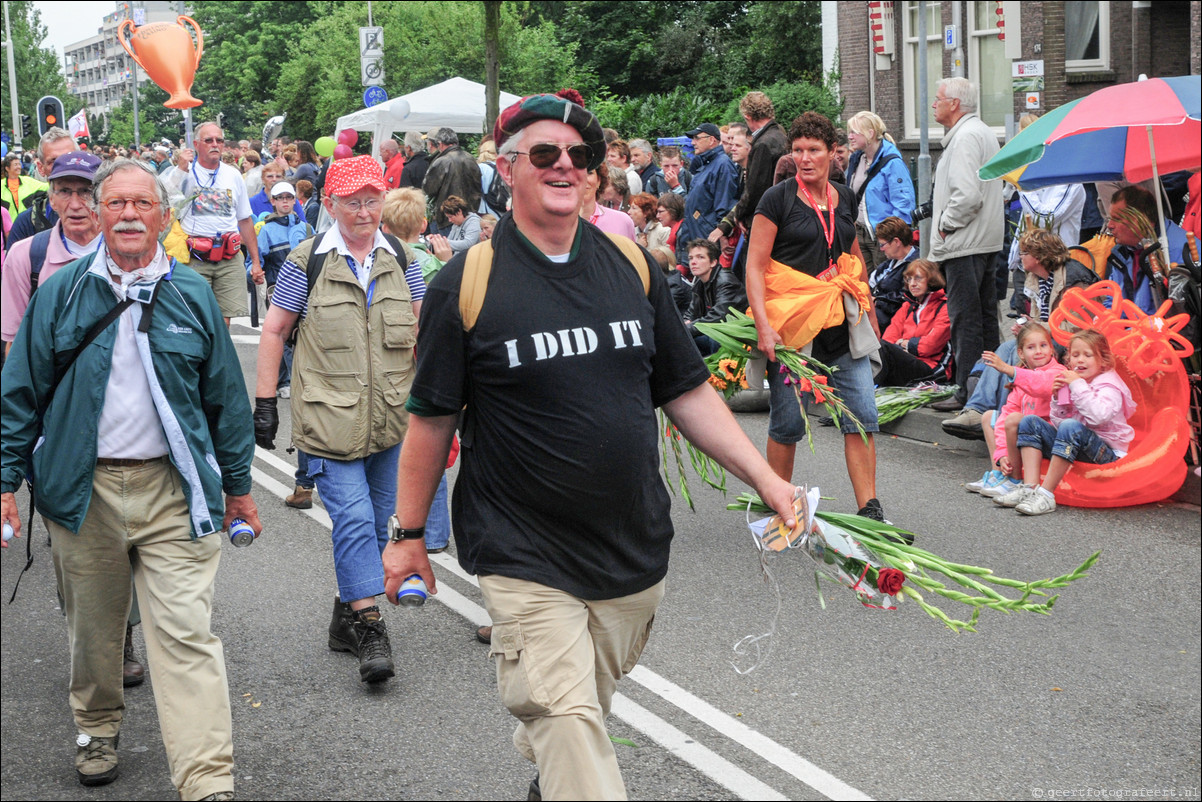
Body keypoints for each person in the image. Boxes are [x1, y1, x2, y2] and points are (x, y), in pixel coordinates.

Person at [382, 90, 798, 801]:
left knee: (578, 712)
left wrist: (768, 479)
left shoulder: (633, 267)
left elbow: (687, 391)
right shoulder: (467, 283)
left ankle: (554, 770)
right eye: (545, 154)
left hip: (631, 547)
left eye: (581, 156)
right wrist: (410, 533)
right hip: (523, 551)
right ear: (507, 169)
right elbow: (431, 417)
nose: (566, 166)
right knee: (569, 718)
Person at [1, 157, 260, 799]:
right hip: (82, 493)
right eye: (114, 203)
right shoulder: (61, 293)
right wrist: (6, 483)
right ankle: (96, 725)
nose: (127, 215)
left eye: (141, 204)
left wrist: (239, 486)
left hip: (171, 492)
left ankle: (208, 780)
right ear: (94, 211)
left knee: (185, 634)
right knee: (94, 631)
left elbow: (226, 399)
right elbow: (20, 393)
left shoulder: (193, 294)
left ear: (162, 216)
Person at [253, 155, 425, 684]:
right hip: (328, 420)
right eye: (353, 201)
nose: (365, 210)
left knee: (378, 525)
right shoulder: (306, 262)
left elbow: (423, 337)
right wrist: (264, 402)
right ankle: (371, 627)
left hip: (392, 420)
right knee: (351, 521)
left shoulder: (402, 257)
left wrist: (440, 413)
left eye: (373, 199)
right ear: (330, 204)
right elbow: (276, 331)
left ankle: (345, 611)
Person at [745, 111, 889, 522]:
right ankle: (778, 504)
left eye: (814, 150)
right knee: (789, 421)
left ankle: (870, 508)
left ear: (833, 153)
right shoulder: (777, 199)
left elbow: (853, 254)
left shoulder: (844, 197)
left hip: (842, 324)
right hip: (793, 326)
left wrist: (869, 310)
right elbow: (755, 266)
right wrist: (764, 327)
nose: (805, 158)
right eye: (798, 150)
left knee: (861, 415)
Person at [942, 228, 1096, 440]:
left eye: (1023, 253)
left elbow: (1079, 326)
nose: (1019, 257)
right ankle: (978, 411)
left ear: (1039, 255)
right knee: (1009, 347)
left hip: (1071, 342)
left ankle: (1001, 417)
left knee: (1016, 351)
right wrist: (1028, 329)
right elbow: (1037, 318)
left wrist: (1037, 328)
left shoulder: (1075, 278)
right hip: (1047, 337)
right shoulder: (1036, 277)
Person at [927, 77, 1004, 413]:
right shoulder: (984, 132)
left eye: (938, 98)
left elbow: (967, 195)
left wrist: (945, 224)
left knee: (965, 319)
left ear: (954, 104)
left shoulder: (963, 138)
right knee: (986, 318)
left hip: (964, 243)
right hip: (985, 242)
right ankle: (990, 389)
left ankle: (967, 392)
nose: (934, 104)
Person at [1004, 330, 1135, 516]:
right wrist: (1058, 400)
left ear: (1103, 360)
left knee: (1070, 427)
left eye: (1087, 355)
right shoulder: (1076, 381)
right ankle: (1029, 487)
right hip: (1079, 445)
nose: (1080, 360)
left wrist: (1077, 386)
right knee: (1030, 422)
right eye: (1075, 355)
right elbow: (1060, 424)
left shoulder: (1110, 386)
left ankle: (1046, 494)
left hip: (1107, 452)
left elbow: (1097, 417)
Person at [164, 121, 265, 325]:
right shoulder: (186, 172)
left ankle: (219, 357)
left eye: (219, 140)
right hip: (195, 257)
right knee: (195, 318)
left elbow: (245, 219)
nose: (215, 144)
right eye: (208, 140)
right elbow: (164, 198)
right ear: (196, 144)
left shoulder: (233, 175)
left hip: (228, 257)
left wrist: (255, 262)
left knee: (223, 321)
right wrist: (180, 169)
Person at [967, 320, 1062, 499]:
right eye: (1031, 347)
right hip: (1022, 438)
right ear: (1021, 353)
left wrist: (1008, 369)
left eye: (1043, 345)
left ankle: (1014, 479)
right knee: (990, 417)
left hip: (1048, 438)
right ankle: (998, 473)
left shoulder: (1058, 371)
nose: (1039, 351)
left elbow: (1040, 384)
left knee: (1016, 419)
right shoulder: (1020, 379)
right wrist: (1001, 454)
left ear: (1051, 349)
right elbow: (1006, 415)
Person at [712, 92, 790, 284]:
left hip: (765, 222)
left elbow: (756, 189)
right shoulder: (781, 135)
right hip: (783, 217)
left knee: (755, 278)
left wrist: (740, 215)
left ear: (747, 116)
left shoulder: (763, 143)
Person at [256, 180, 313, 403]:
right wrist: (256, 272)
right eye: (281, 198)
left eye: (289, 198)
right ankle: (288, 381)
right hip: (277, 290)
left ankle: (287, 379)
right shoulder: (266, 230)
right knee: (284, 335)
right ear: (273, 202)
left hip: (305, 289)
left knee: (298, 334)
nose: (285, 202)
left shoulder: (306, 228)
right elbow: (256, 260)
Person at [845, 111, 915, 271]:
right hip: (860, 232)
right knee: (863, 284)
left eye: (854, 132)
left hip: (883, 237)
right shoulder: (857, 159)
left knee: (883, 283)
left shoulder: (892, 163)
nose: (849, 137)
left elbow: (904, 203)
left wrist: (891, 237)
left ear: (870, 134)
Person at [1103, 185, 1188, 314]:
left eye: (1117, 219)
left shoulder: (1177, 251)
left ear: (1140, 219)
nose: (1110, 226)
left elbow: (1180, 313)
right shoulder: (1122, 252)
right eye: (1110, 219)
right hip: (1128, 329)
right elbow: (1112, 300)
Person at [876, 259, 952, 387]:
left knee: (883, 349)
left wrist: (904, 343)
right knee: (877, 346)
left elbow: (930, 345)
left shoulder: (944, 306)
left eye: (918, 278)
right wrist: (905, 347)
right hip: (910, 363)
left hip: (932, 369)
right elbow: (889, 338)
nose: (912, 284)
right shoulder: (907, 306)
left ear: (931, 280)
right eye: (909, 279)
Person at [677, 122, 739, 264]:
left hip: (709, 242)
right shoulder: (706, 163)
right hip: (697, 239)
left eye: (697, 138)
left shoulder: (723, 165)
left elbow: (725, 205)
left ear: (712, 140)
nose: (693, 143)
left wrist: (722, 235)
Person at [683, 238, 747, 355]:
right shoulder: (699, 283)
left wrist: (687, 327)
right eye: (691, 258)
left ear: (713, 262)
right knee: (681, 340)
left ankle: (714, 372)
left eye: (700, 257)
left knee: (714, 339)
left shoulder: (725, 281)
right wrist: (684, 324)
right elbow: (691, 313)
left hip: (737, 335)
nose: (693, 262)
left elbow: (719, 316)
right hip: (716, 330)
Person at [423, 127, 482, 234]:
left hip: (447, 217)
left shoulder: (441, 161)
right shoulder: (471, 159)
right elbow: (478, 187)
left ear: (440, 144)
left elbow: (428, 189)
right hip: (468, 215)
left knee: (443, 248)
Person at [868, 216, 918, 330]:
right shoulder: (888, 263)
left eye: (883, 244)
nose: (881, 249)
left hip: (891, 321)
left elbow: (907, 297)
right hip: (877, 313)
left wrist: (877, 301)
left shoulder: (916, 265)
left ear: (896, 242)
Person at [580, 164, 636, 239]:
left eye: (589, 172)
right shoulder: (559, 224)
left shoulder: (622, 221)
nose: (584, 179)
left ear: (599, 181)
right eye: (575, 172)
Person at [657, 191, 685, 256]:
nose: (657, 216)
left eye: (660, 212)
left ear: (673, 211)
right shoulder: (675, 231)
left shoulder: (682, 232)